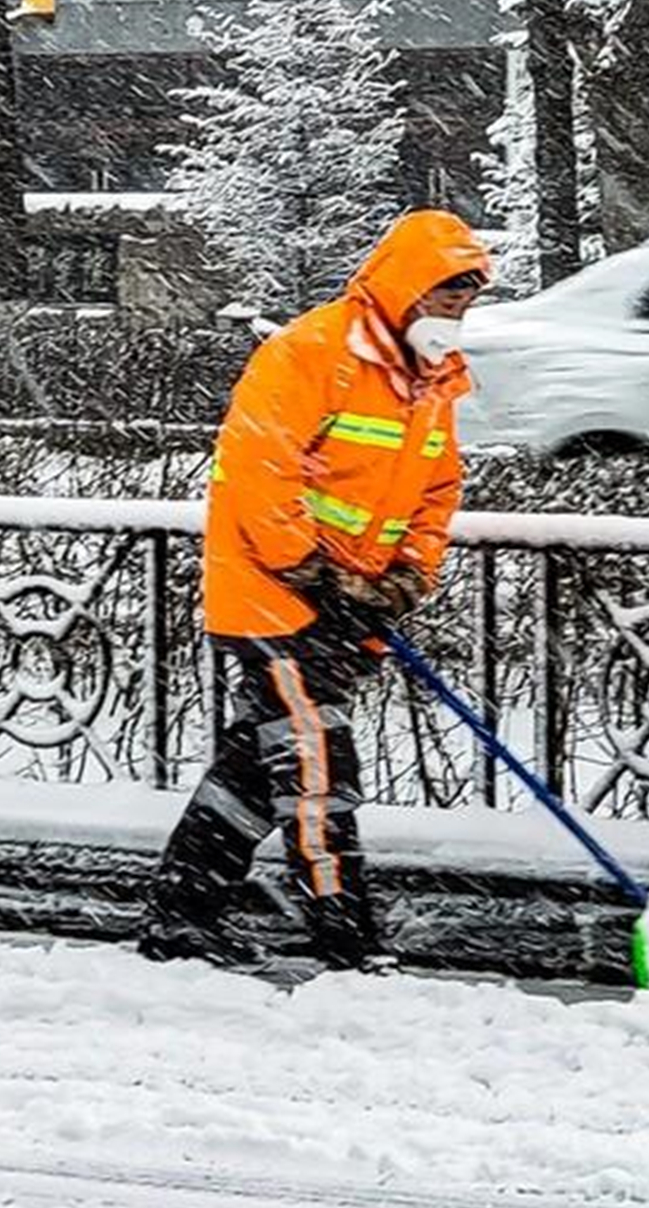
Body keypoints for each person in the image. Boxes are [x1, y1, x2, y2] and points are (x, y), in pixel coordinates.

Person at [140, 209, 491, 973]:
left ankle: (181, 913)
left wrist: (405, 577)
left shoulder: (432, 382)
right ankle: (343, 931)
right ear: (404, 290)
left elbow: (437, 489)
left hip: (348, 609)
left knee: (253, 770)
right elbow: (258, 470)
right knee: (316, 769)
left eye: (465, 304)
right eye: (443, 299)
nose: (454, 316)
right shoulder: (311, 353)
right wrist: (313, 572)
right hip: (271, 598)